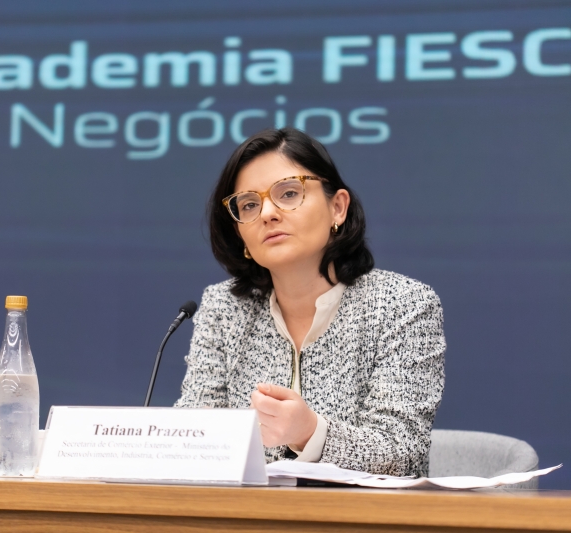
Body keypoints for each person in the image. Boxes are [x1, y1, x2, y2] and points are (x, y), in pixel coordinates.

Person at [174, 128, 445, 477]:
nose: (268, 213)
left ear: (338, 208)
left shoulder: (402, 305)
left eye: (289, 193)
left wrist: (310, 432)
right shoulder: (224, 308)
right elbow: (194, 435)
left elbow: (403, 452)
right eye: (249, 204)